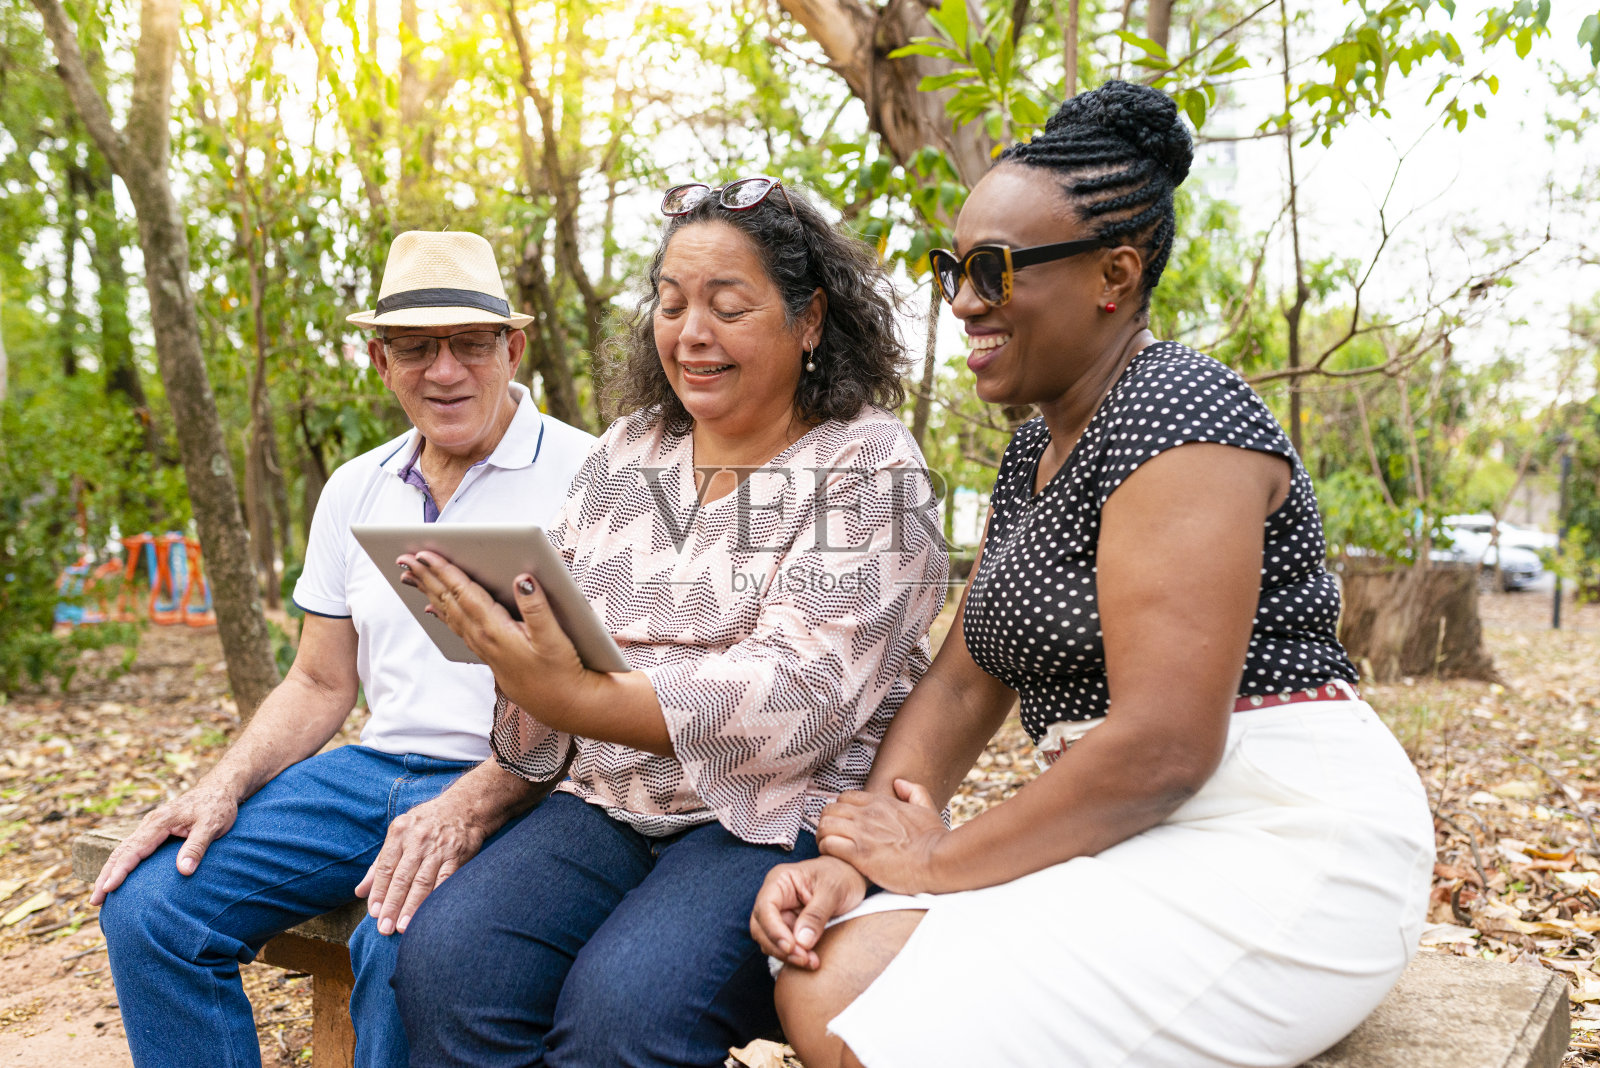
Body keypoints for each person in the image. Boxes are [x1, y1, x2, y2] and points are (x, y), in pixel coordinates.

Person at [751, 82, 1436, 1068]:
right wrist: (856, 858)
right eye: (950, 268)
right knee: (833, 976)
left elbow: (1161, 748)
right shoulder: (1030, 455)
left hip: (1281, 831)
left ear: (1114, 273)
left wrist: (936, 862)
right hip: (1139, 822)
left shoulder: (1178, 410)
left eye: (992, 271)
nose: (962, 300)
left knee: (874, 1022)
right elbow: (960, 680)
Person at [387, 177, 949, 1067]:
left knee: (626, 1015)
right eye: (672, 302)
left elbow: (802, 694)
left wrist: (571, 695)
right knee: (451, 966)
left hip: (775, 814)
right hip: (608, 797)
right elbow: (563, 639)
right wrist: (512, 644)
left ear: (810, 321)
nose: (691, 334)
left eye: (728, 307)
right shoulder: (630, 450)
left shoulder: (867, 465)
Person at [93, 231, 595, 1068]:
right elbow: (320, 680)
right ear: (379, 361)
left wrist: (475, 802)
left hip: (530, 785)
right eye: (415, 348)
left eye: (471, 344)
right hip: (372, 773)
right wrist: (222, 785)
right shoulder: (355, 486)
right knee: (149, 910)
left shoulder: (591, 474)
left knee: (399, 949)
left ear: (513, 348)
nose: (445, 371)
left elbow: (613, 695)